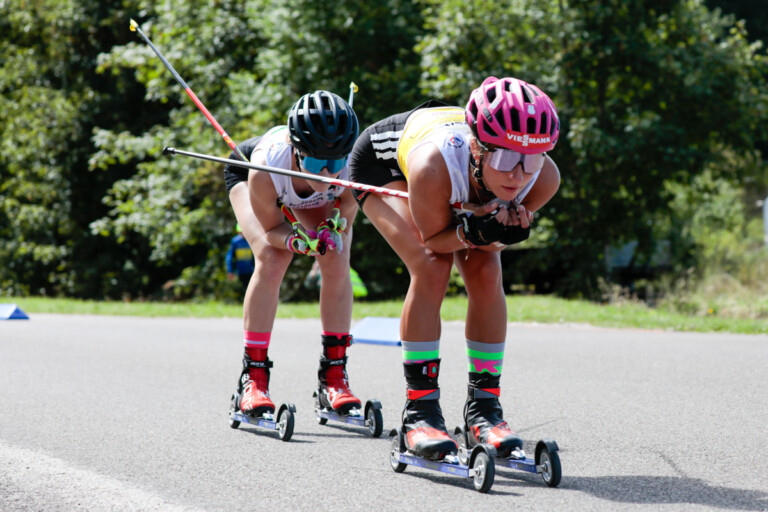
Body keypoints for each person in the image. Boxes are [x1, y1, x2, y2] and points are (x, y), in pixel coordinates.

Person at [348, 76, 561, 460]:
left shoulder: (542, 179)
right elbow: (434, 240)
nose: (518, 175)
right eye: (507, 159)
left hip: (458, 168)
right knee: (431, 266)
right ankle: (421, 411)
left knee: (487, 269)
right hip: (384, 164)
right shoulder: (434, 165)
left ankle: (484, 409)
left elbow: (487, 244)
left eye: (532, 159)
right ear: (478, 147)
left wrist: (495, 235)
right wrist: (475, 229)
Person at [224, 90, 361, 420]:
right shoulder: (264, 167)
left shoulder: (350, 165)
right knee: (273, 259)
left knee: (335, 258)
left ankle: (334, 378)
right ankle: (253, 379)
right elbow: (272, 230)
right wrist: (298, 242)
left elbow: (346, 207)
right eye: (316, 164)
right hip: (257, 180)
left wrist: (330, 227)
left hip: (311, 199)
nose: (327, 175)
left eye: (335, 165)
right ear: (297, 151)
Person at [225, 224, 255, 290]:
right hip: (241, 271)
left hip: (251, 270)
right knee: (245, 288)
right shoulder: (235, 241)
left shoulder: (251, 240)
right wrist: (230, 271)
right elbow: (229, 257)